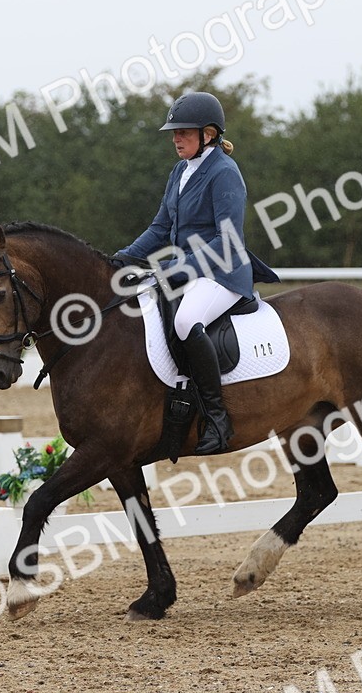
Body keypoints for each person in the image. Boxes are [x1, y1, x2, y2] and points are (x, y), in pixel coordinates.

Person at [114, 91, 280, 455]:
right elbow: (160, 228)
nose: (176, 139)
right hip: (188, 271)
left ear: (209, 134)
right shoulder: (180, 171)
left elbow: (227, 241)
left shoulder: (224, 173)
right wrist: (123, 257)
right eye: (174, 133)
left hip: (223, 273)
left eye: (184, 132)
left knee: (186, 320)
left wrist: (174, 270)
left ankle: (218, 418)